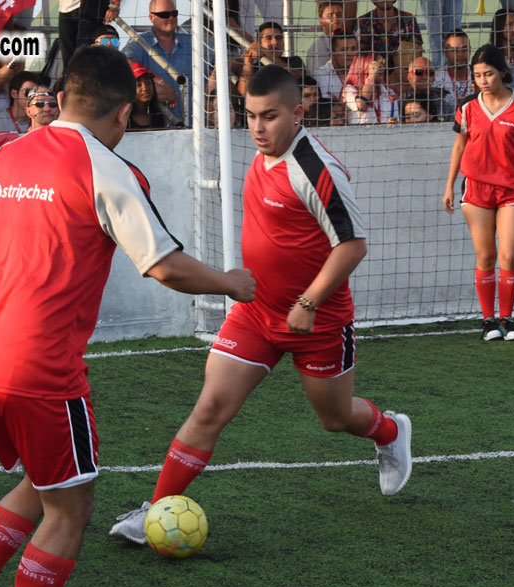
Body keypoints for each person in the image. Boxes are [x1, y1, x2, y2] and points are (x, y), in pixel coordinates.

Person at [0, 47, 255, 587]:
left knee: (42, 482)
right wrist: (230, 283)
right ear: (124, 113)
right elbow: (163, 264)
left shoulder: (7, 155)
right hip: (42, 368)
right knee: (71, 506)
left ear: (60, 98)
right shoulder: (107, 168)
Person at [109, 65, 413, 546]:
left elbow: (352, 246)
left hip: (318, 321)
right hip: (255, 313)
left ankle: (389, 431)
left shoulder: (316, 169)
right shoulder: (262, 154)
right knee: (210, 408)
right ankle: (156, 511)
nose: (257, 127)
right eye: (250, 115)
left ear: (298, 112)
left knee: (335, 419)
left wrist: (308, 302)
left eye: (269, 116)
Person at [442, 44, 514, 342]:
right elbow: (459, 146)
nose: (483, 80)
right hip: (476, 189)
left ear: (502, 72)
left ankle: (507, 319)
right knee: (486, 256)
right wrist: (449, 185)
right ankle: (488, 322)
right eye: (477, 75)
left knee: (508, 256)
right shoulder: (467, 107)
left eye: (489, 74)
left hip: (512, 189)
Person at [357, 0, 423, 60]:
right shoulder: (363, 22)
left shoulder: (408, 19)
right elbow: (358, 52)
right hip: (372, 66)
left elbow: (417, 50)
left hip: (403, 66)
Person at [435, 29, 475, 112]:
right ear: (445, 52)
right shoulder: (436, 79)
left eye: (464, 49)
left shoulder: (478, 75)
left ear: (470, 50)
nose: (460, 54)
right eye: (455, 50)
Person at [128, 64, 166, 128]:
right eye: (139, 85)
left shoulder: (157, 115)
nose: (145, 88)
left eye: (148, 83)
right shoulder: (125, 118)